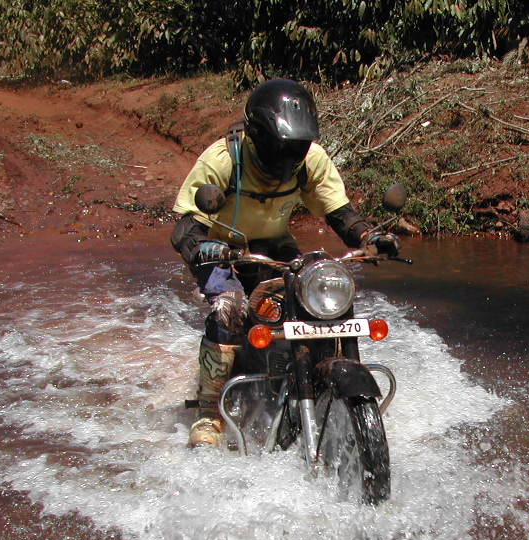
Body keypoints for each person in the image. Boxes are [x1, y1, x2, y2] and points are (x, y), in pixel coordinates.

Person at [170, 78, 400, 447]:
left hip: (275, 245)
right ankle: (208, 413)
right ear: (258, 137)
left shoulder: (309, 160)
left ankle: (326, 380)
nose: (287, 160)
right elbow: (186, 226)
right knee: (228, 308)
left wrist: (369, 238)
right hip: (221, 249)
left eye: (295, 150)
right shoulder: (224, 159)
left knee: (320, 289)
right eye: (281, 150)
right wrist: (200, 249)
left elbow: (339, 211)